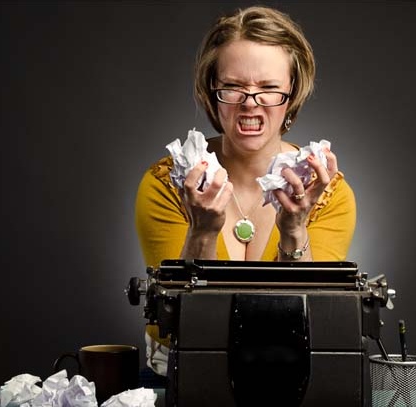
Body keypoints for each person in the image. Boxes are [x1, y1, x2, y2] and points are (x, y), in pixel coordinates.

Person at [135, 5, 356, 384]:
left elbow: (312, 324)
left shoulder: (328, 192)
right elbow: (179, 326)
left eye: (268, 88)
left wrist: (294, 230)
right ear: (212, 92)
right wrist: (202, 232)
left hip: (289, 383)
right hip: (181, 381)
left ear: (291, 94)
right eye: (233, 86)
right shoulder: (167, 184)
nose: (250, 102)